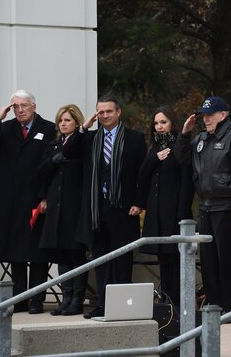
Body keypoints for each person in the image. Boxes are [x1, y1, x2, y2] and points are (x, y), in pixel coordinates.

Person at [174, 96, 231, 317]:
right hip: (206, 206)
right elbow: (180, 157)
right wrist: (184, 133)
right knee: (208, 258)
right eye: (204, 116)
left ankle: (230, 307)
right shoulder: (201, 138)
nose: (206, 119)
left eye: (210, 115)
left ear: (223, 115)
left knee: (225, 257)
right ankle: (214, 305)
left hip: (227, 207)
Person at [76, 94, 147, 319]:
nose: (105, 115)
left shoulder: (135, 139)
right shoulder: (89, 138)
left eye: (109, 111)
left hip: (125, 209)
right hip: (98, 210)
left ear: (118, 113)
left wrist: (139, 202)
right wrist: (83, 129)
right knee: (101, 258)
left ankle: (123, 307)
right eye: (101, 112)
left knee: (122, 259)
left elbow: (142, 174)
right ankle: (103, 305)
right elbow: (68, 152)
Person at [0, 90, 55, 314]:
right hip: (10, 201)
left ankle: (36, 300)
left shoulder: (48, 128)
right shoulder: (4, 129)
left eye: (23, 106)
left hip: (35, 199)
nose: (19, 110)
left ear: (33, 107)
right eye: (15, 106)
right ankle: (19, 300)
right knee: (16, 252)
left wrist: (46, 195)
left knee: (37, 253)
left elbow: (52, 166)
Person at [138, 106, 194, 306]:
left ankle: (178, 302)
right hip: (157, 211)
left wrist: (182, 213)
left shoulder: (180, 144)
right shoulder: (154, 147)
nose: (159, 127)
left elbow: (186, 182)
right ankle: (167, 299)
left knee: (175, 258)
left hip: (174, 211)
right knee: (163, 257)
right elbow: (143, 174)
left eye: (164, 122)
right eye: (156, 123)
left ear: (172, 122)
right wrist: (154, 158)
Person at [37, 104, 89, 315]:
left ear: (76, 122)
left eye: (67, 120)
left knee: (76, 253)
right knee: (61, 255)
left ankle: (77, 299)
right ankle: (65, 298)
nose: (63, 124)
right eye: (61, 120)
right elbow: (41, 172)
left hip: (74, 207)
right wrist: (54, 160)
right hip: (55, 207)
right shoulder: (53, 145)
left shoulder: (82, 143)